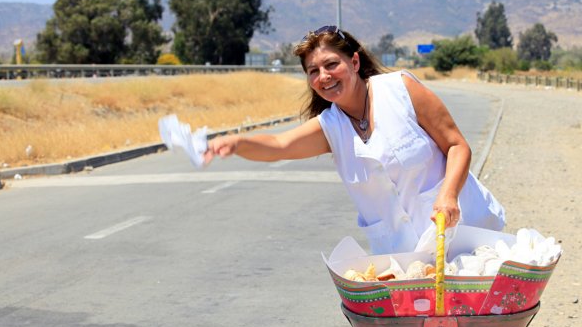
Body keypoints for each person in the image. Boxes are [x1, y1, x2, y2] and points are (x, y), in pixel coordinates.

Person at [203, 25, 505, 254]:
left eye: (331, 64)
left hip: (465, 239)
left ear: (355, 63)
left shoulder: (400, 90)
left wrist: (449, 195)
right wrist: (236, 143)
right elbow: (280, 146)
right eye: (313, 71)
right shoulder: (330, 126)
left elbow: (456, 145)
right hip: (402, 259)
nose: (324, 76)